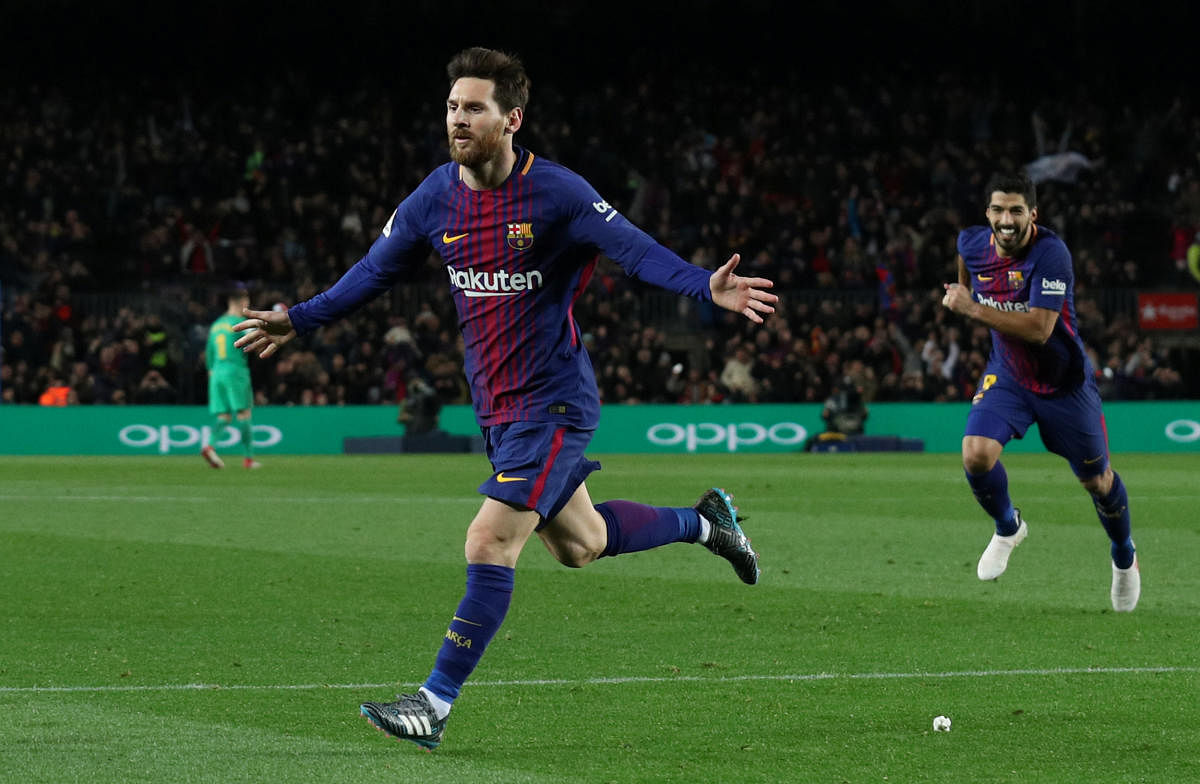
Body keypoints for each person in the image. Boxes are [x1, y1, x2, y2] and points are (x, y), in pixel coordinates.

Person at [233, 47, 777, 750]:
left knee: (488, 539)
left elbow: (636, 251)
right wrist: (300, 317)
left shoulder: (559, 194)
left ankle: (434, 702)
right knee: (582, 545)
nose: (458, 119)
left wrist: (705, 285)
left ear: (512, 118)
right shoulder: (435, 197)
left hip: (553, 403)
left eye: (474, 108)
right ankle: (708, 524)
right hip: (498, 409)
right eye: (453, 106)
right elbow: (375, 270)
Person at [940, 172, 1138, 612]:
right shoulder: (972, 243)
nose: (1006, 220)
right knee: (975, 453)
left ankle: (1124, 555)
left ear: (1033, 214)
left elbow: (1040, 327)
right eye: (998, 210)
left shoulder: (1050, 253)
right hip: (1009, 376)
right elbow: (963, 259)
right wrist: (963, 290)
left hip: (1064, 384)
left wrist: (972, 307)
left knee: (1097, 481)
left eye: (1016, 211)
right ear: (988, 213)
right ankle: (1008, 526)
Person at [202, 287, 262, 469]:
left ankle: (209, 445)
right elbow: (254, 340)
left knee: (224, 416)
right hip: (235, 371)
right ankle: (249, 459)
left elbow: (208, 354)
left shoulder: (216, 325)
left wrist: (212, 372)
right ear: (242, 303)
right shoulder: (239, 323)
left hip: (216, 373)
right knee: (244, 413)